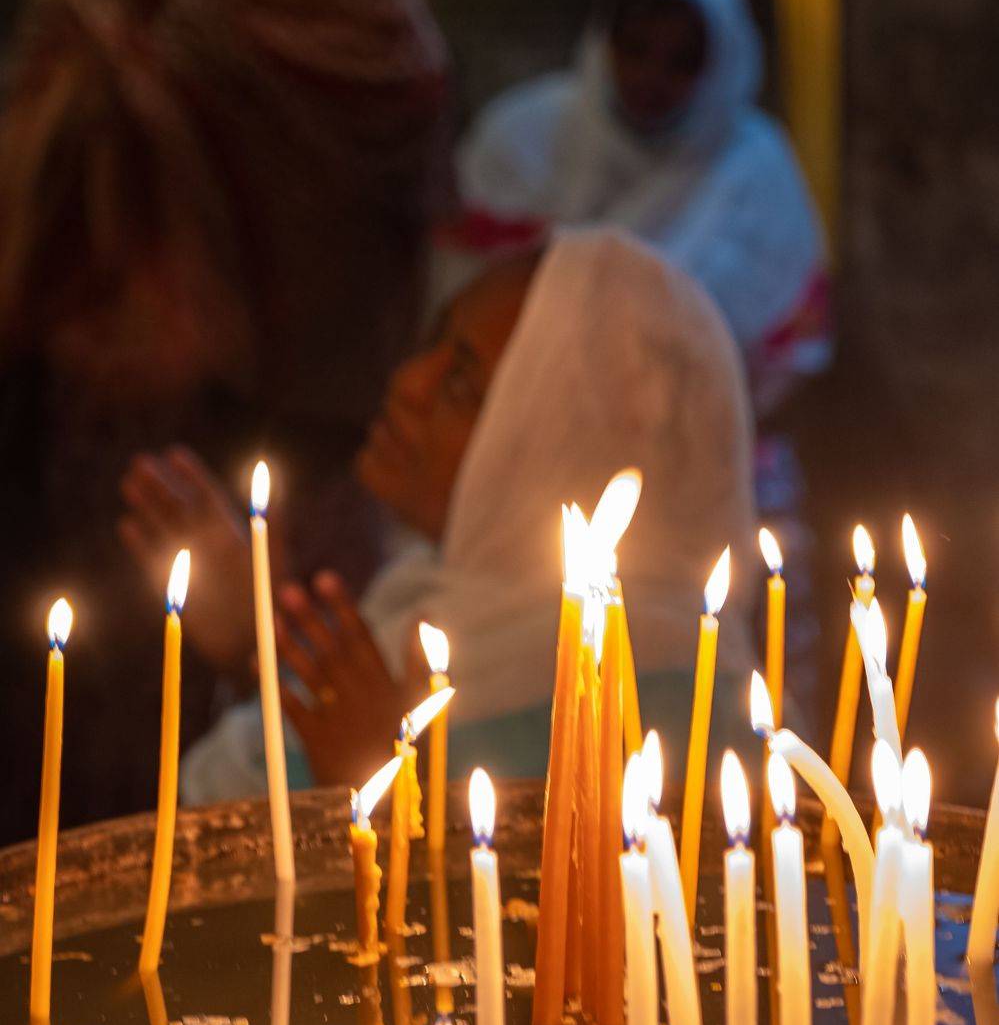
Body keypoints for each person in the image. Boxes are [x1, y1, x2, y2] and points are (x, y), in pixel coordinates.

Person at [0, 0, 448, 841]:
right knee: (86, 751)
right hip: (88, 428)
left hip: (278, 419)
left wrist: (177, 57)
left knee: (251, 766)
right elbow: (31, 146)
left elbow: (394, 107)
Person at [122, 229, 757, 799]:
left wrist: (388, 786)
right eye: (435, 340)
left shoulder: (655, 696)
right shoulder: (430, 600)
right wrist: (256, 647)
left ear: (562, 453)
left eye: (462, 387)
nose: (409, 382)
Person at [457, 0, 831, 723]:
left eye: (680, 61)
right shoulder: (527, 143)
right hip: (533, 476)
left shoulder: (752, 176)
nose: (651, 78)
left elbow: (783, 353)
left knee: (723, 710)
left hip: (712, 476)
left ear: (721, 63)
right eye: (634, 50)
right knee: (555, 704)